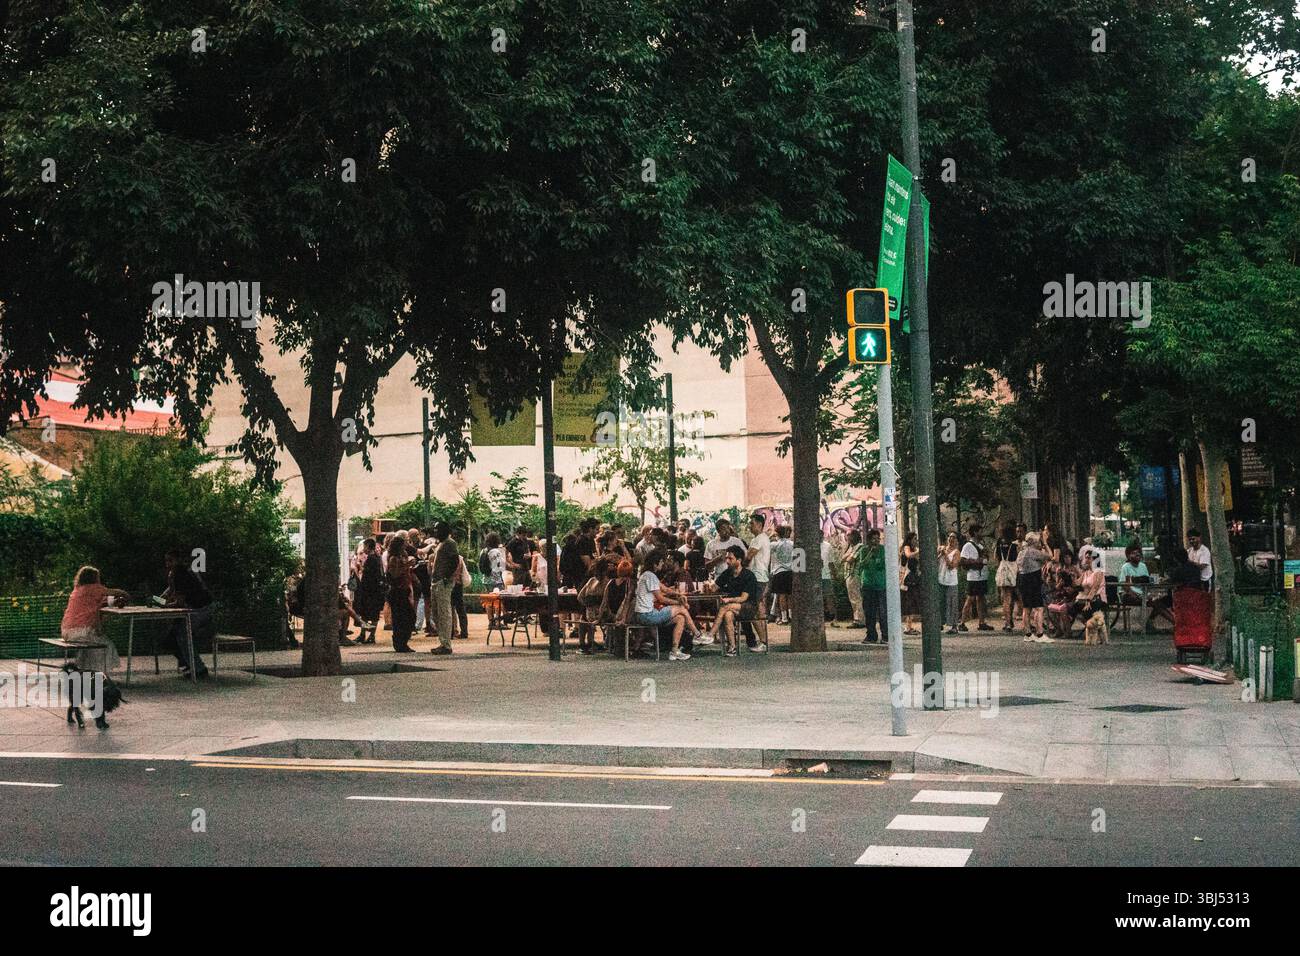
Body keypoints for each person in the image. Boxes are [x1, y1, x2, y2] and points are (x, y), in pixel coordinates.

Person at [60, 566, 128, 677]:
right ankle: (99, 675)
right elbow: (115, 592)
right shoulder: (95, 588)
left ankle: (84, 671)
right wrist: (126, 594)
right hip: (81, 631)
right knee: (106, 645)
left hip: (67, 631)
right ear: (93, 578)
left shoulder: (77, 590)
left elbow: (97, 602)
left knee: (90, 647)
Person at [162, 548, 214, 679]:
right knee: (171, 635)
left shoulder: (181, 574)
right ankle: (188, 663)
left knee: (182, 633)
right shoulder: (178, 573)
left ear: (178, 560)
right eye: (166, 561)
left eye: (170, 561)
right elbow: (170, 591)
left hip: (201, 608)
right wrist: (162, 597)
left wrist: (165, 605)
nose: (168, 564)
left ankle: (199, 668)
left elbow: (179, 602)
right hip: (196, 608)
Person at [634, 549, 693, 661]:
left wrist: (678, 593)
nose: (663, 564)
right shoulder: (650, 576)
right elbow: (660, 598)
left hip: (644, 614)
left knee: (680, 618)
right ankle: (697, 634)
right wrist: (679, 603)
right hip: (647, 615)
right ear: (655, 563)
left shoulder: (647, 575)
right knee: (682, 609)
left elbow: (664, 589)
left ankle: (674, 651)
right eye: (661, 562)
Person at [712, 545, 762, 657]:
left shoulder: (748, 575)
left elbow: (743, 598)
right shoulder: (727, 573)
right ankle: (732, 647)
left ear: (739, 560)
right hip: (735, 607)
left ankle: (711, 634)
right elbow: (714, 587)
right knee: (728, 615)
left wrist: (729, 599)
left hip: (749, 606)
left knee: (725, 607)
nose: (727, 561)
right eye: (726, 558)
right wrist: (709, 586)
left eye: (730, 558)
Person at [427, 522, 458, 655]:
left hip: (443, 582)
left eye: (437, 530)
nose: (435, 532)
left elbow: (455, 561)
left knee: (443, 612)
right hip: (436, 581)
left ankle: (446, 644)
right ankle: (442, 641)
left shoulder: (450, 543)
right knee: (436, 612)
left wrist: (446, 577)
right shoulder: (441, 543)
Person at [385, 536, 416, 652]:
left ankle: (403, 641)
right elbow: (395, 574)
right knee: (401, 618)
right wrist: (407, 565)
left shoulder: (402, 556)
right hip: (397, 591)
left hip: (404, 589)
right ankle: (399, 642)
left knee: (408, 616)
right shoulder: (393, 558)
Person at [1016, 532, 1049, 642]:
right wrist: (1045, 544)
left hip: (1022, 579)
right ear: (1034, 542)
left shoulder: (1021, 553)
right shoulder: (1034, 552)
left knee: (1026, 608)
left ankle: (1028, 633)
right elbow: (1051, 557)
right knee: (1039, 608)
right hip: (1033, 579)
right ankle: (1040, 634)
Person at [959, 524, 992, 631]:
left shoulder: (981, 545)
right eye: (980, 531)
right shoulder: (967, 546)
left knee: (981, 599)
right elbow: (963, 560)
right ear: (975, 532)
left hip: (981, 575)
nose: (982, 533)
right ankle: (962, 622)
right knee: (970, 598)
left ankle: (981, 622)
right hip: (973, 576)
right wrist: (977, 561)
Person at [858, 528, 887, 645]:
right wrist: (871, 553)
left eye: (878, 539)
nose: (876, 541)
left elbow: (882, 565)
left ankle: (885, 635)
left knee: (883, 612)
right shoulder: (864, 550)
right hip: (868, 585)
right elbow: (862, 564)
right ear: (869, 540)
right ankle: (871, 635)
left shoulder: (882, 550)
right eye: (873, 539)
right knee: (869, 612)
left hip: (880, 585)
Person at [353, 538, 385, 643]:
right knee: (372, 614)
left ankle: (366, 635)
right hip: (375, 591)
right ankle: (370, 635)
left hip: (369, 591)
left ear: (368, 546)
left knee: (366, 614)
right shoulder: (377, 558)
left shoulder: (371, 560)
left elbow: (367, 577)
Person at [745, 513, 772, 622]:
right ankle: (762, 635)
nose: (750, 526)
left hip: (758, 576)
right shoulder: (756, 539)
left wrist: (742, 563)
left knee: (755, 604)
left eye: (752, 523)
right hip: (756, 575)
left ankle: (762, 633)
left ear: (760, 524)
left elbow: (749, 556)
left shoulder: (761, 538)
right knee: (757, 602)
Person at [1118, 543, 1151, 627]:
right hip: (1129, 595)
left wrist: (1147, 595)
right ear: (1128, 556)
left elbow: (1147, 582)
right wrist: (1136, 595)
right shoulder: (1126, 567)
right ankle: (1146, 624)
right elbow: (1125, 586)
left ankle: (1149, 622)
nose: (1137, 554)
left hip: (1142, 594)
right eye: (1133, 553)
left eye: (1138, 552)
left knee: (1157, 603)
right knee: (1147, 602)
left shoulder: (1143, 566)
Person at [994, 523, 1019, 632]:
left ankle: (1007, 622)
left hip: (1002, 568)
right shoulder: (1015, 543)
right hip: (1013, 570)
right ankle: (1011, 621)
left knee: (1005, 598)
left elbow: (996, 557)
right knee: (1013, 596)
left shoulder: (999, 542)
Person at [768, 525, 795, 623]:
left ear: (777, 533)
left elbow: (765, 545)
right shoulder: (792, 544)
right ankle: (791, 615)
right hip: (790, 571)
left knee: (781, 596)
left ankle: (784, 618)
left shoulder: (774, 544)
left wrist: (770, 535)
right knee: (790, 595)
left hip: (779, 572)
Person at [939, 532, 962, 633]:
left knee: (952, 603)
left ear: (956, 540)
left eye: (953, 537)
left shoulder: (956, 552)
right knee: (941, 602)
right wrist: (940, 553)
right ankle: (941, 622)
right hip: (941, 578)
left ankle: (954, 626)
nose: (951, 539)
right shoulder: (942, 549)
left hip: (951, 581)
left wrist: (945, 556)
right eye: (949, 537)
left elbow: (952, 566)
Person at [842, 530, 866, 628]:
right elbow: (842, 558)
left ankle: (859, 620)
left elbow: (850, 559)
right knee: (853, 598)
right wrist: (849, 554)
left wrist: (848, 555)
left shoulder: (860, 546)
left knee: (856, 598)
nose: (847, 537)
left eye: (849, 535)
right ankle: (857, 618)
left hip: (855, 575)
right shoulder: (850, 548)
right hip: (848, 575)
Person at [900, 531, 921, 634]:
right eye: (914, 539)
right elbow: (908, 555)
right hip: (907, 577)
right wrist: (919, 551)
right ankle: (907, 627)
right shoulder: (906, 547)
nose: (916, 541)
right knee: (909, 601)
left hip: (913, 577)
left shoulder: (915, 549)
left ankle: (909, 625)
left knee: (912, 601)